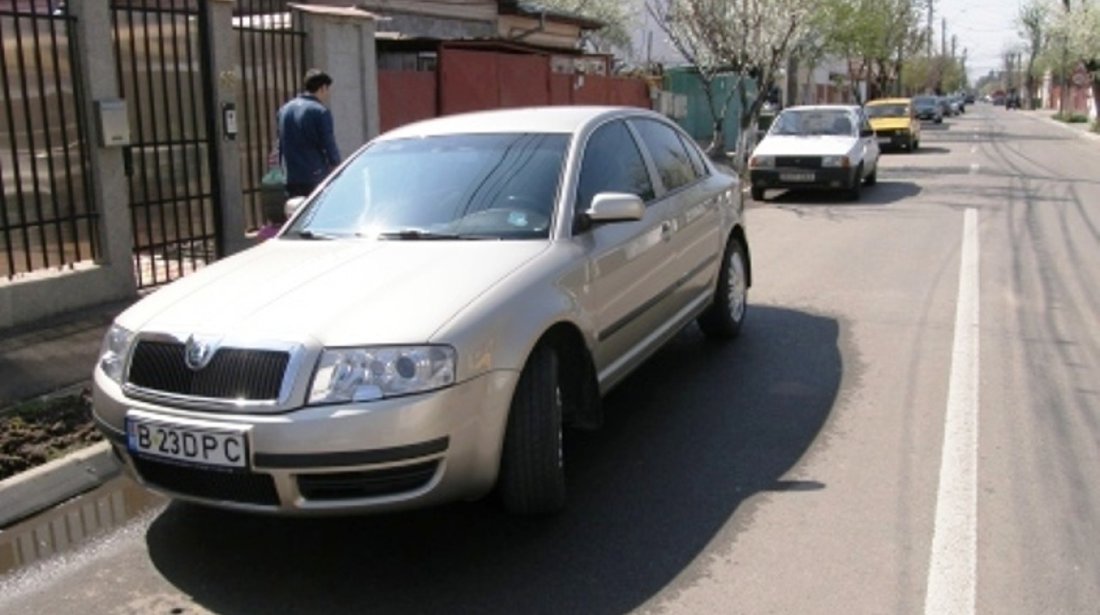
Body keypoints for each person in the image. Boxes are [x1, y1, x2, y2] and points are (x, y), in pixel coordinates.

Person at [276, 69, 341, 199]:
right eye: (327, 90)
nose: (327, 94)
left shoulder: (284, 110)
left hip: (290, 176)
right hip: (314, 175)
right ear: (322, 88)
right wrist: (337, 166)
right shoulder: (320, 111)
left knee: (297, 213)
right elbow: (328, 143)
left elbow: (281, 144)